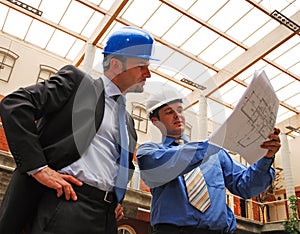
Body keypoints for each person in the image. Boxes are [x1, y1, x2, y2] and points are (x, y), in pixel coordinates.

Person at [0, 26, 157, 234]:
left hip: (106, 216)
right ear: (117, 64)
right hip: (70, 203)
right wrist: (39, 168)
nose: (148, 74)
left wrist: (114, 198)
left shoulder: (128, 122)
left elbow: (119, 165)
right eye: (142, 66)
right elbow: (15, 104)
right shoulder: (78, 84)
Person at [136, 87, 281, 234]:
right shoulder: (148, 153)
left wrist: (266, 157)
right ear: (155, 121)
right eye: (169, 112)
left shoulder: (216, 154)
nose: (177, 116)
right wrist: (213, 143)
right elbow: (172, 161)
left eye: (180, 110)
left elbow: (246, 186)